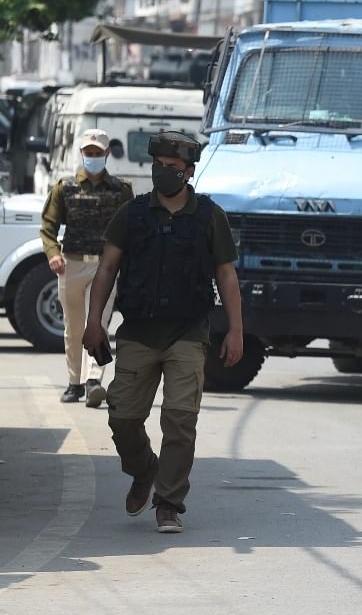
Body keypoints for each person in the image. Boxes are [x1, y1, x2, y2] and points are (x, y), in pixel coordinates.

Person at [82, 131, 242, 535]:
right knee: (123, 417)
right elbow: (106, 269)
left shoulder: (209, 216)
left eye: (172, 169)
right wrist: (93, 321)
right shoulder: (132, 214)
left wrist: (236, 330)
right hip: (137, 331)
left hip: (188, 332)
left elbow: (226, 274)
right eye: (159, 166)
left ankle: (169, 503)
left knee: (180, 419)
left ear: (188, 173)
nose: (164, 173)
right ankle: (143, 469)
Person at [39, 129, 133, 405]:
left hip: (105, 268)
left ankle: (93, 380)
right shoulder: (64, 187)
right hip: (72, 265)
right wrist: (53, 253)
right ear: (81, 154)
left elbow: (131, 228)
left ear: (106, 154)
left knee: (99, 322)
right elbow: (48, 226)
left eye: (97, 153)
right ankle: (74, 382)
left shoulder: (121, 189)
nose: (93, 157)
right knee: (74, 327)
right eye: (88, 153)